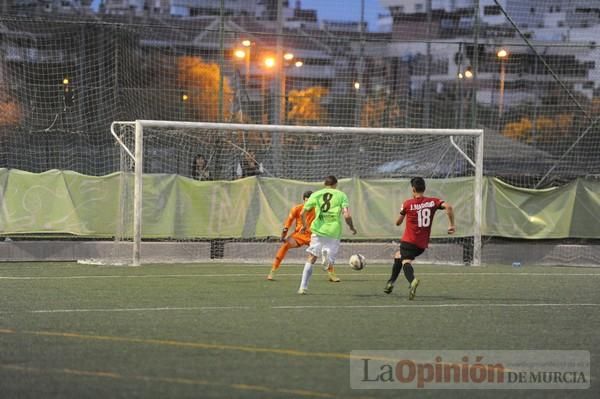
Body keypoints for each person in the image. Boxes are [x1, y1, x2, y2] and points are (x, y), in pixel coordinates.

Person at [384, 177, 455, 300]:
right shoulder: (433, 202)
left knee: (405, 261)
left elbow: (398, 223)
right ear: (424, 189)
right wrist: (451, 225)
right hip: (421, 245)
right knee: (398, 256)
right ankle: (390, 283)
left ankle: (412, 281)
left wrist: (401, 215)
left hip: (408, 240)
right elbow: (449, 207)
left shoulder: (407, 204)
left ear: (413, 189)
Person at [297, 175, 357, 294]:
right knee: (330, 262)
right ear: (335, 184)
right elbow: (347, 215)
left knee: (311, 258)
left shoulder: (316, 194)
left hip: (318, 230)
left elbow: (302, 213)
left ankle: (302, 287)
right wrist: (351, 227)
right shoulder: (341, 195)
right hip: (333, 231)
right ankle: (327, 256)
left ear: (325, 184)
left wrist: (304, 225)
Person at [267, 191, 315, 281]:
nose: (308, 203)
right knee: (285, 245)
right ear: (303, 200)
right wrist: (284, 234)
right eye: (306, 201)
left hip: (313, 236)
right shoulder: (297, 209)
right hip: (299, 236)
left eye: (310, 201)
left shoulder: (317, 210)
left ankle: (331, 272)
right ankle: (273, 270)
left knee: (325, 250)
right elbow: (287, 224)